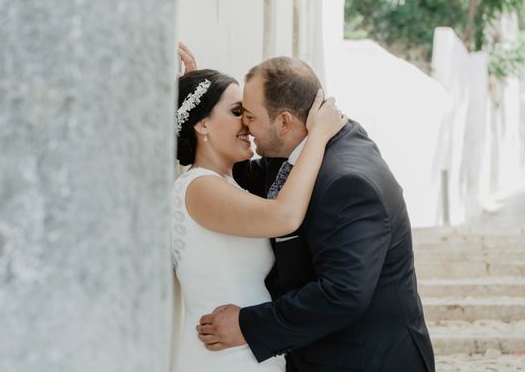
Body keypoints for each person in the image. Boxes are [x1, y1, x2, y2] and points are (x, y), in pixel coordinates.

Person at [180, 46, 436, 372]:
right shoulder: (295, 153)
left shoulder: (348, 182)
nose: (246, 125)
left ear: (284, 122)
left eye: (250, 116)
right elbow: (224, 175)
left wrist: (248, 325)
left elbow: (342, 294)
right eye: (238, 113)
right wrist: (194, 104)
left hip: (364, 361)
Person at [171, 64, 346, 372]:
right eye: (238, 112)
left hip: (248, 350)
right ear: (202, 125)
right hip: (222, 357)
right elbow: (285, 216)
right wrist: (317, 136)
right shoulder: (199, 187)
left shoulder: (227, 184)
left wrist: (194, 85)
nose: (248, 123)